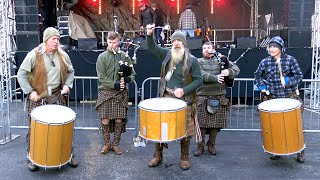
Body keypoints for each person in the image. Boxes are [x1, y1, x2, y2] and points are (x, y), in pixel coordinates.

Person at [17, 27, 77, 171]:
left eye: (58, 39)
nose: (56, 42)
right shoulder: (34, 55)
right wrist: (30, 92)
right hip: (38, 96)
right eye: (53, 39)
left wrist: (68, 85)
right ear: (46, 40)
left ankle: (68, 154)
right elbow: (21, 74)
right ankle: (31, 156)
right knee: (34, 128)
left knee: (63, 126)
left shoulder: (62, 55)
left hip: (57, 94)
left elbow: (71, 71)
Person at [145, 24, 203, 170]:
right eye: (174, 41)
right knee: (160, 127)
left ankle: (184, 157)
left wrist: (184, 90)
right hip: (166, 96)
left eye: (179, 41)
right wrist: (149, 35)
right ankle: (158, 155)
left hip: (184, 100)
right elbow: (152, 48)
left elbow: (198, 80)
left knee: (185, 129)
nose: (176, 43)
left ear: (184, 43)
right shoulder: (166, 54)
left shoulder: (192, 60)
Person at [254, 36, 305, 162]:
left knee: (294, 127)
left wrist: (288, 80)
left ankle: (300, 150)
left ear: (281, 48)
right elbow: (257, 75)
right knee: (274, 127)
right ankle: (275, 149)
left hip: (289, 97)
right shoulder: (265, 62)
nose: (271, 49)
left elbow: (299, 76)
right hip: (273, 98)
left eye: (275, 47)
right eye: (270, 46)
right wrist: (262, 86)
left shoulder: (290, 60)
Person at [194, 42, 240, 156]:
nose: (206, 49)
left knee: (215, 125)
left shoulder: (222, 60)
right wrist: (216, 78)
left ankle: (211, 145)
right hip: (202, 97)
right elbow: (201, 75)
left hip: (218, 96)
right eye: (204, 48)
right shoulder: (197, 61)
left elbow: (236, 69)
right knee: (201, 125)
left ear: (213, 49)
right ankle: (200, 147)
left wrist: (228, 71)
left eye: (209, 47)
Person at [96, 32, 136, 156]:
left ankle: (116, 144)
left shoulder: (124, 56)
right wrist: (115, 84)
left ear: (119, 42)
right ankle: (107, 143)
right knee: (105, 119)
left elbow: (132, 73)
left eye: (114, 42)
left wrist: (128, 79)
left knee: (119, 119)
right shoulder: (102, 57)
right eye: (109, 42)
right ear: (107, 42)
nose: (112, 45)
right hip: (106, 92)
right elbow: (101, 78)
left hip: (120, 94)